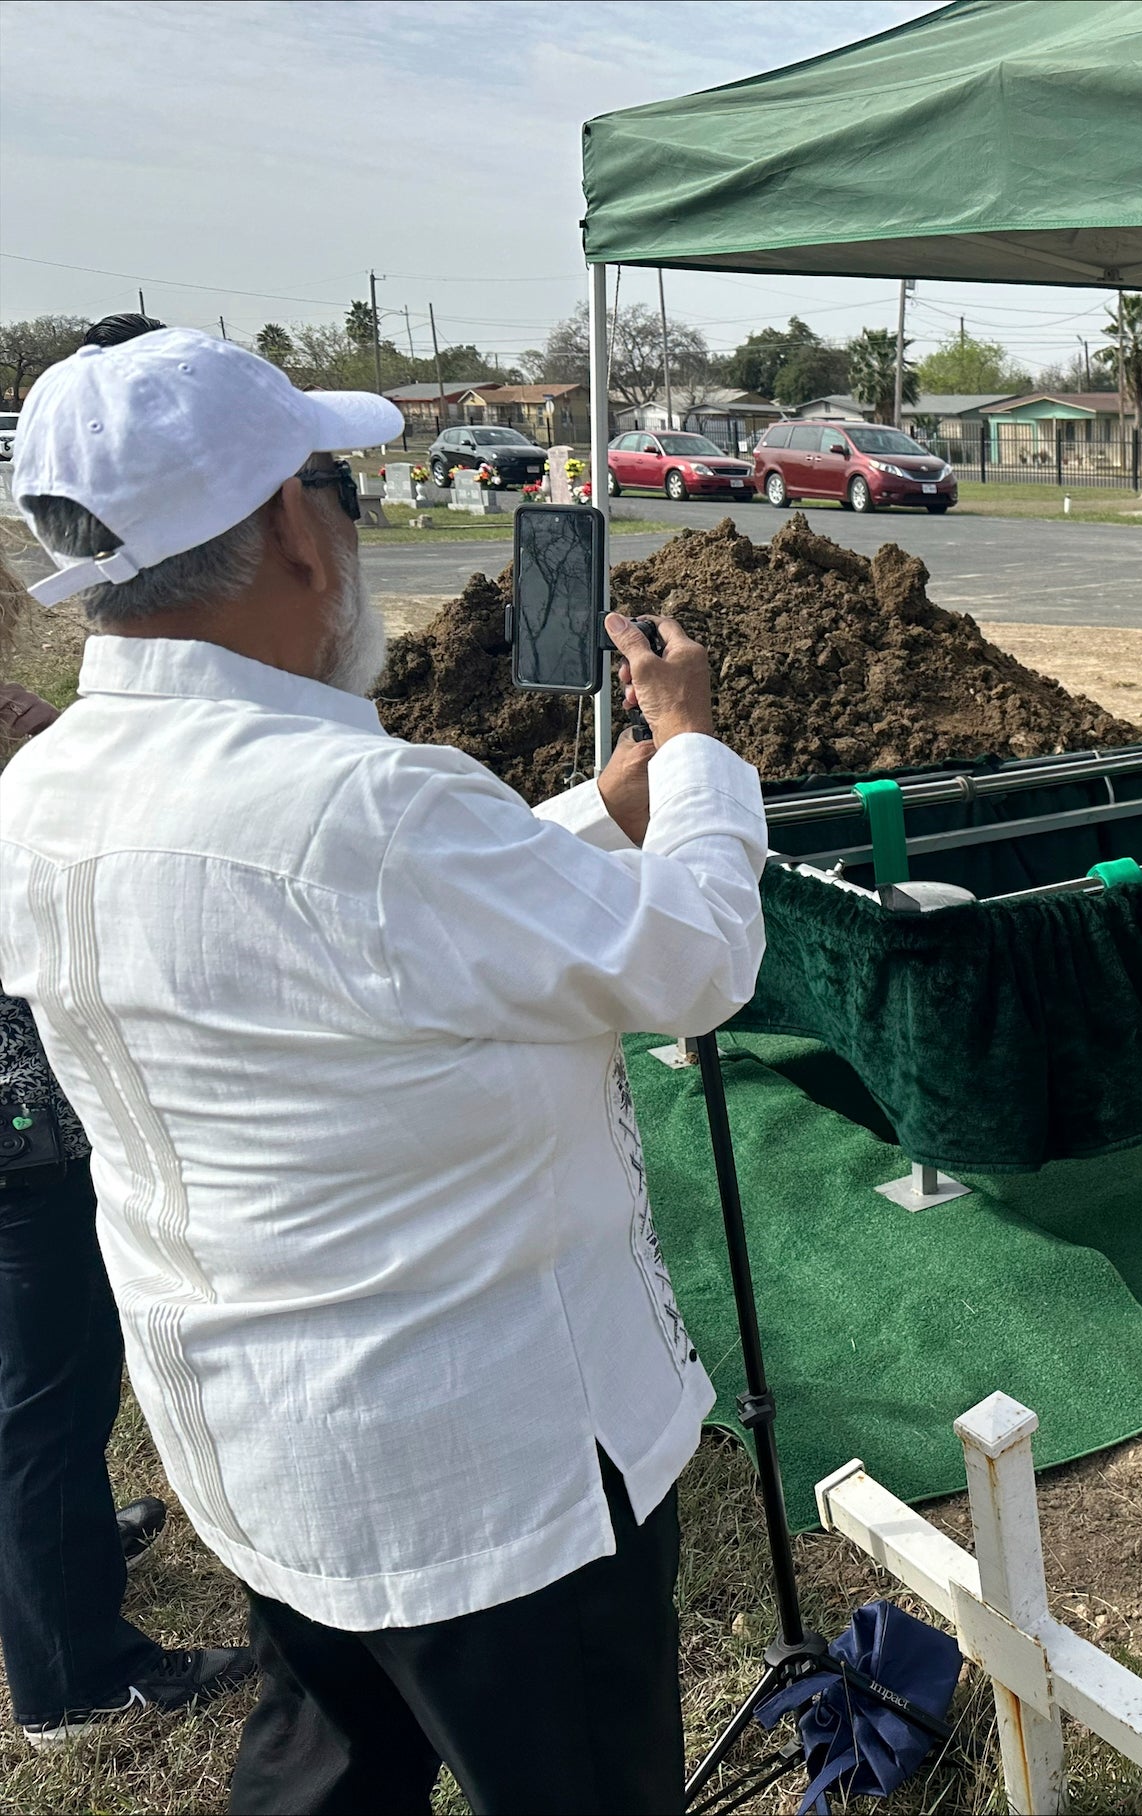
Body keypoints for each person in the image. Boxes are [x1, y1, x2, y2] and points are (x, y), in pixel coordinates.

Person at [1, 326, 767, 1811]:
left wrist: (597, 814)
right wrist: (690, 753)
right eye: (335, 484)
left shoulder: (45, 789)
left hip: (278, 1464)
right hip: (503, 1491)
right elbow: (695, 960)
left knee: (325, 1772)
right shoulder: (369, 810)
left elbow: (346, 937)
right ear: (292, 522)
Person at [0, 307, 254, 1751]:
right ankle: (74, 1676)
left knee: (46, 1367)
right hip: (15, 1093)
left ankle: (71, 1543)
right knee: (47, 1373)